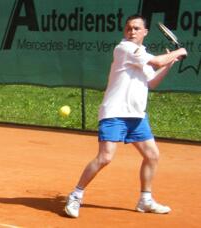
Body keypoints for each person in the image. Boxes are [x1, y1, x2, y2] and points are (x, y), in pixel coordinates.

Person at [64, 14, 187, 218]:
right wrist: (178, 52)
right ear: (125, 31)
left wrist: (170, 63)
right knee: (105, 157)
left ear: (145, 32)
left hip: (136, 115)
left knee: (152, 155)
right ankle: (76, 195)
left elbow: (151, 82)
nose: (132, 32)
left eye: (137, 28)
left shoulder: (142, 54)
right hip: (115, 112)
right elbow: (157, 60)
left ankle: (145, 200)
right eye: (129, 28)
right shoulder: (125, 48)